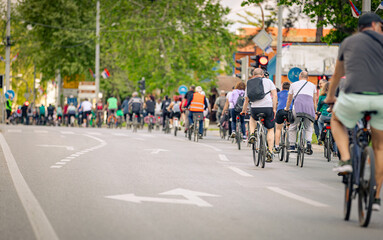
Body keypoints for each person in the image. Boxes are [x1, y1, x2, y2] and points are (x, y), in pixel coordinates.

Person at [325, 13, 383, 210]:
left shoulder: (348, 42)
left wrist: (330, 96)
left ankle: (346, 159)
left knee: (336, 120)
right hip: (381, 99)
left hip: (353, 97)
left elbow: (337, 74)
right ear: (375, 25)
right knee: (380, 147)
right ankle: (375, 198)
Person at [241, 68, 277, 162]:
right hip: (268, 108)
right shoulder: (268, 81)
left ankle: (252, 134)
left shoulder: (249, 83)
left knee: (252, 118)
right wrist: (274, 109)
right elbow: (275, 95)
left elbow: (246, 100)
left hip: (255, 108)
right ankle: (269, 151)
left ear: (253, 75)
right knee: (270, 129)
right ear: (262, 74)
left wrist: (244, 110)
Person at [284, 71, 317, 155]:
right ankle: (308, 143)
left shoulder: (293, 85)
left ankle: (292, 145)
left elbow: (289, 99)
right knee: (308, 126)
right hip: (309, 108)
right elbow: (314, 101)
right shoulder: (313, 86)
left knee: (293, 125)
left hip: (297, 107)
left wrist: (287, 108)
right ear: (308, 77)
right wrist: (315, 111)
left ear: (299, 77)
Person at [274, 82, 291, 153]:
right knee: (290, 126)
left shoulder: (278, 94)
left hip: (280, 111)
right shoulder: (291, 94)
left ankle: (277, 146)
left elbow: (275, 102)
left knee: (278, 129)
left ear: (282, 88)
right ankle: (289, 142)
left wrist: (275, 109)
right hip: (289, 111)